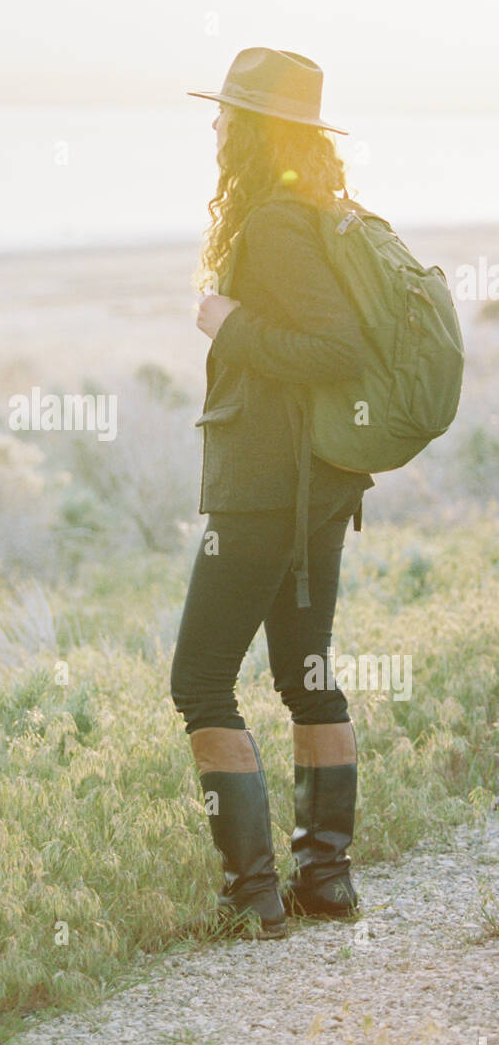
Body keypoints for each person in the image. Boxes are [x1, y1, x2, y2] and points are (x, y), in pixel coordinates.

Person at [172, 47, 373, 939]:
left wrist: (229, 323)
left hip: (264, 492)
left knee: (200, 683)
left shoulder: (275, 226)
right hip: (311, 488)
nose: (214, 125)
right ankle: (321, 881)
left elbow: (335, 351)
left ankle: (251, 899)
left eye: (226, 113)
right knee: (306, 674)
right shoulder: (304, 211)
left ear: (253, 130)